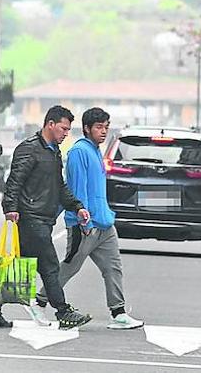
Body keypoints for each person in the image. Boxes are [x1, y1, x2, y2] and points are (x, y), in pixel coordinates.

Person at [0, 105, 92, 331]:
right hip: (31, 218)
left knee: (18, 266)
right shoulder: (29, 149)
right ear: (50, 124)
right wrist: (10, 208)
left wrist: (77, 206)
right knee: (50, 265)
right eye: (63, 129)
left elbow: (59, 186)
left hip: (44, 218)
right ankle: (63, 312)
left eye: (68, 130)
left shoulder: (53, 151)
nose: (65, 134)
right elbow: (14, 181)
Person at [39, 107, 143, 330]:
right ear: (86, 129)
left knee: (113, 268)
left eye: (106, 127)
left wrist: (104, 217)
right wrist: (83, 221)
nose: (103, 132)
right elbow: (77, 190)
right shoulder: (79, 152)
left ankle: (118, 313)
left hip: (104, 224)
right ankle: (39, 301)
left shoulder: (96, 151)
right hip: (85, 225)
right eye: (98, 127)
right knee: (70, 267)